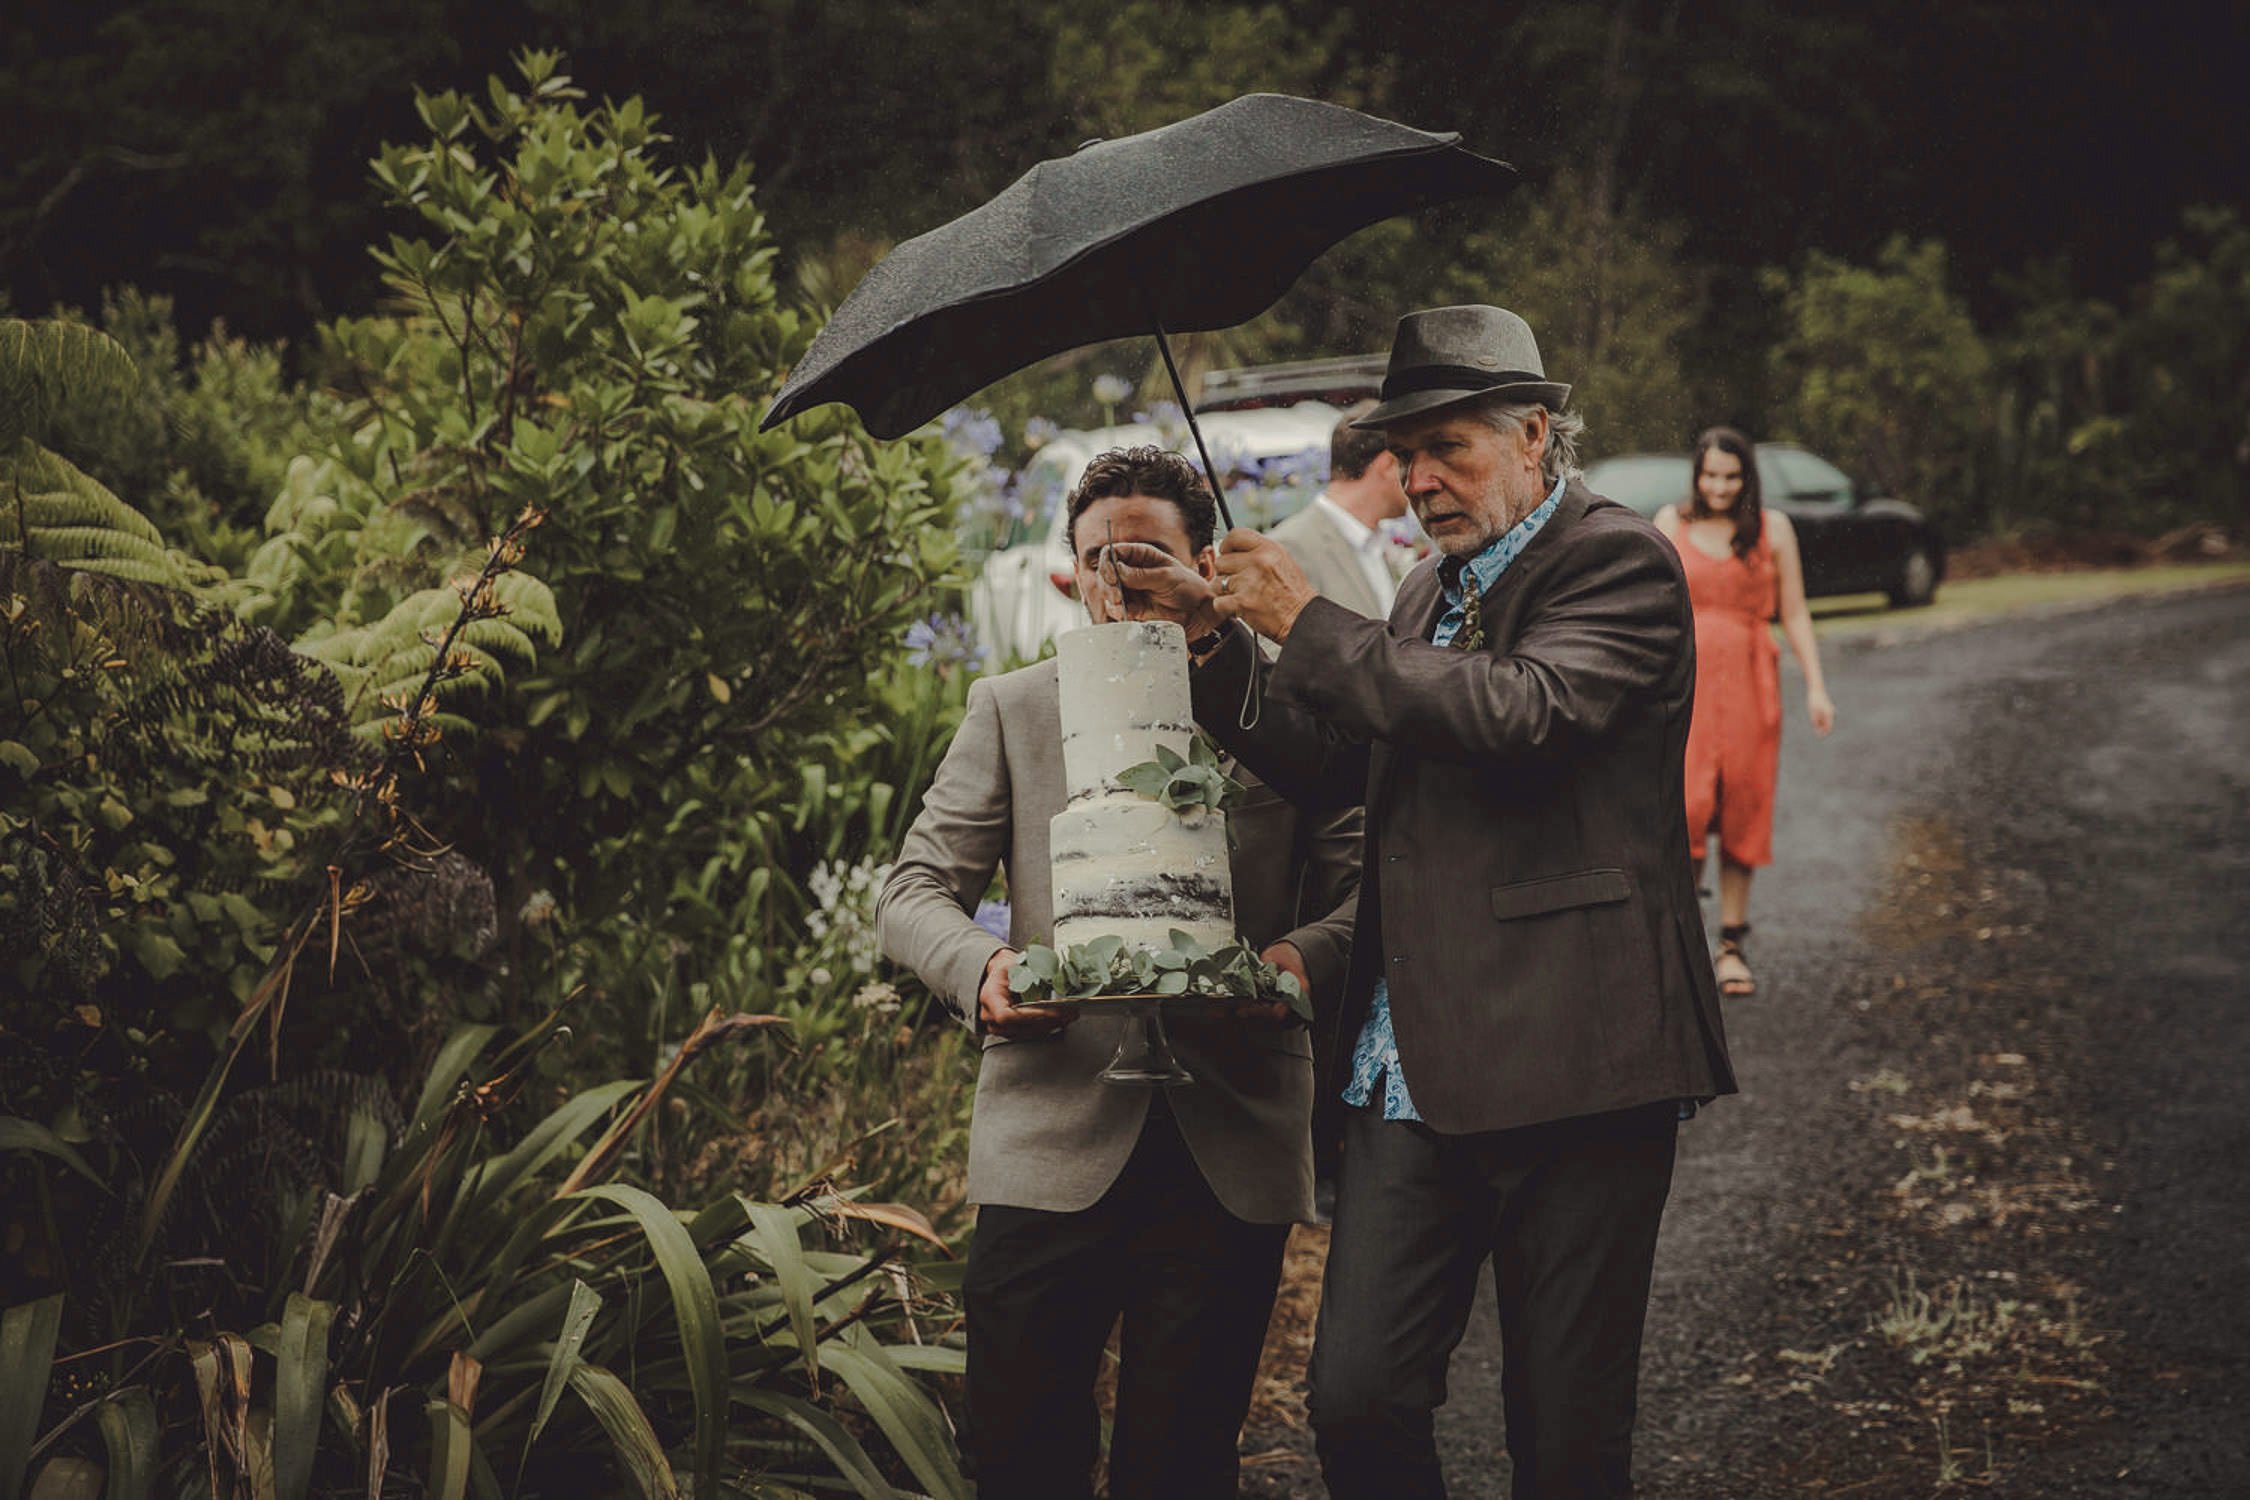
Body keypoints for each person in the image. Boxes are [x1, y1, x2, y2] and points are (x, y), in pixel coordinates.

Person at [1103, 305, 1736, 1499]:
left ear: (1535, 432)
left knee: (1564, 1436)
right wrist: (1211, 645)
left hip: (1578, 1059)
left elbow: (1522, 711)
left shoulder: (1618, 561)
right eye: (1405, 455)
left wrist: (1309, 622)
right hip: (1408, 1070)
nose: (1422, 479)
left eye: (1449, 447)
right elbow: (1347, 766)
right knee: (1357, 1399)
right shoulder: (1417, 595)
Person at [874, 445, 1360, 1500]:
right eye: (1099, 557)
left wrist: (1296, 962)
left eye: (1146, 556)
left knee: (1180, 1466)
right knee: (1016, 1455)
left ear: (1204, 568)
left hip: (1233, 1131)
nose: (1120, 581)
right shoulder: (1014, 707)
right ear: (1069, 571)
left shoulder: (1287, 713)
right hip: (1050, 1132)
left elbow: (1365, 894)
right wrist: (984, 968)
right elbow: (910, 891)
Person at [1653, 426, 1836, 998]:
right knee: (1686, 807)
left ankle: (1732, 943)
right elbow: (1649, 609)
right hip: (1687, 685)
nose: (1719, 487)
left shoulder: (1773, 530)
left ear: (1747, 477)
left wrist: (1817, 686)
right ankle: (1682, 939)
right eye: (1710, 475)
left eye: (1731, 476)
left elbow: (1795, 612)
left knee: (1742, 807)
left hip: (1751, 686)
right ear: (1696, 474)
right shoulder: (1671, 522)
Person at [1268, 398, 1414, 619]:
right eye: (1408, 462)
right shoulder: (1290, 548)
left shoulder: (1375, 543)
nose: (1418, 480)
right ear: (1388, 464)